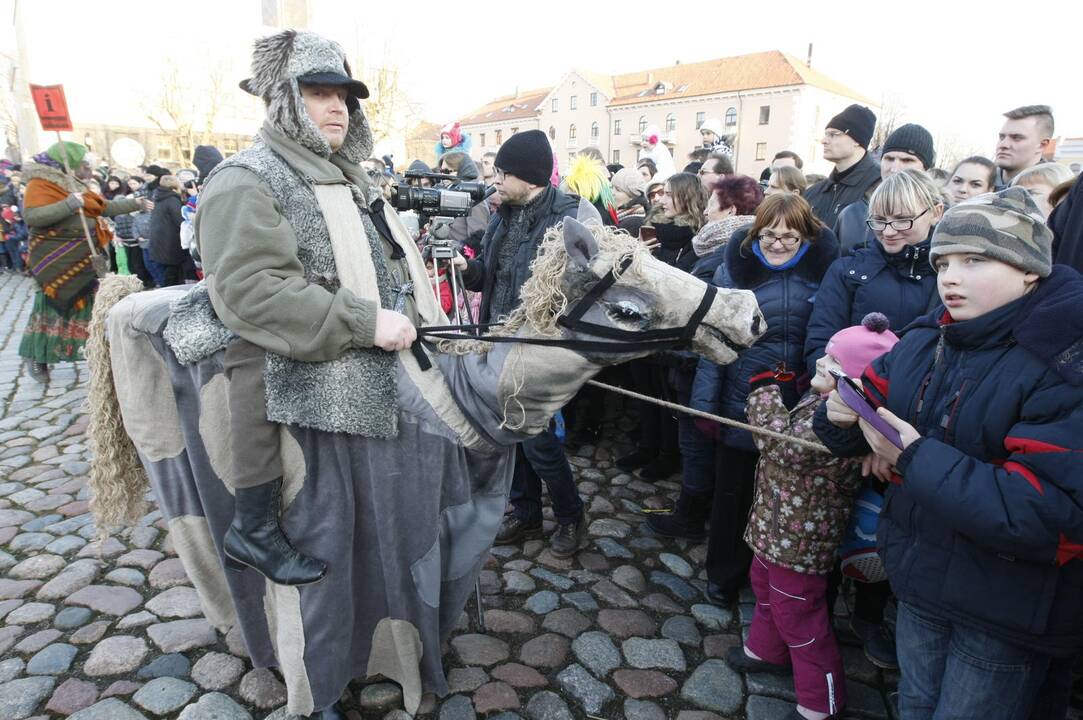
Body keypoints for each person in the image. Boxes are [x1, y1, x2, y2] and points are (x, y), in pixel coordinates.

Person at [815, 187, 1083, 719]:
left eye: (975, 260)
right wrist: (840, 415)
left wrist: (913, 455)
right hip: (919, 579)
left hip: (1005, 608)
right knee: (915, 703)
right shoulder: (924, 339)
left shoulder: (1063, 360)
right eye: (943, 262)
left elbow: (1052, 510)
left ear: (1029, 270)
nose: (950, 277)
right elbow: (869, 406)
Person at [196, 30, 431, 602]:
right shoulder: (245, 178)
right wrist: (363, 322)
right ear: (283, 98)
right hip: (290, 341)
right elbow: (251, 291)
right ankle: (253, 526)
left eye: (344, 96)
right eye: (318, 92)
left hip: (375, 343)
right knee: (251, 359)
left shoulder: (348, 175)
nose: (337, 106)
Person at [726, 312, 899, 720]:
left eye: (830, 365)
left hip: (800, 541)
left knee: (800, 619)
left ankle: (822, 705)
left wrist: (764, 392)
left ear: (856, 386)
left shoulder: (843, 424)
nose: (819, 364)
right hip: (775, 526)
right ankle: (765, 651)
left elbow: (780, 446)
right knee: (763, 587)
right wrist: (790, 393)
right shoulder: (822, 401)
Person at [803, 169, 943, 670]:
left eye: (903, 220)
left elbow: (940, 360)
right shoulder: (850, 268)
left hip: (915, 428)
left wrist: (893, 442)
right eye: (880, 220)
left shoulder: (946, 273)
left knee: (890, 530)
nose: (889, 231)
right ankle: (827, 609)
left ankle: (877, 613)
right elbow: (822, 342)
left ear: (936, 214)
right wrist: (862, 431)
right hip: (847, 419)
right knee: (835, 519)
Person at [693, 193, 839, 604]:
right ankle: (723, 573)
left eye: (789, 237)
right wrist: (705, 403)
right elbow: (711, 342)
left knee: (787, 498)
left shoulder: (823, 275)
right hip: (741, 395)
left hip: (797, 399)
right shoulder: (732, 272)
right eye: (770, 235)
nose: (777, 244)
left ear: (805, 237)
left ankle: (775, 582)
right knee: (733, 494)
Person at [454, 129, 588, 556]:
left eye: (503, 173)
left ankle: (571, 518)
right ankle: (526, 514)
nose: (495, 181)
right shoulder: (502, 214)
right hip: (497, 342)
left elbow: (582, 287)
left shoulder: (570, 216)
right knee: (509, 437)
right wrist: (464, 268)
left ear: (529, 178)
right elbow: (489, 278)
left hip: (539, 348)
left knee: (540, 441)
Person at [18, 141, 144, 382]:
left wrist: (135, 203)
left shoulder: (75, 185)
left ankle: (98, 356)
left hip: (85, 260)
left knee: (92, 311)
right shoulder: (39, 184)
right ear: (70, 164)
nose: (87, 168)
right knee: (49, 311)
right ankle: (37, 356)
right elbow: (33, 216)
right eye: (83, 164)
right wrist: (68, 205)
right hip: (55, 263)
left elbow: (102, 207)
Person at [835, 124, 936, 255]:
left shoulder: (946, 219)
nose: (894, 168)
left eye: (907, 160)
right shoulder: (851, 214)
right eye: (889, 158)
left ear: (926, 169)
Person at [805, 104, 879, 227]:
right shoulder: (813, 193)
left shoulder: (880, 187)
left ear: (856, 140)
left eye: (833, 134)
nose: (823, 140)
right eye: (826, 134)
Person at [994, 105, 1054, 189]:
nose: (1003, 145)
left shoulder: (1058, 194)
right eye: (1002, 137)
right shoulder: (976, 183)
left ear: (1042, 145)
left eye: (1016, 138)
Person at [148, 175, 187, 286]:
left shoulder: (158, 197)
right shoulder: (172, 200)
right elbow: (180, 221)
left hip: (160, 241)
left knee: (167, 272)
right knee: (173, 274)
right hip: (170, 243)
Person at [610, 167, 648, 237]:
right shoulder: (623, 216)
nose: (612, 192)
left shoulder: (634, 222)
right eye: (611, 187)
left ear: (632, 196)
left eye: (618, 190)